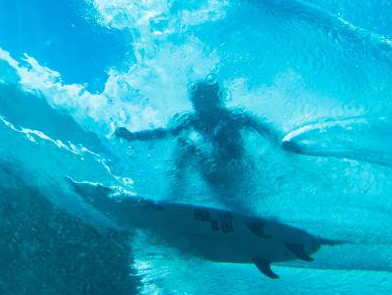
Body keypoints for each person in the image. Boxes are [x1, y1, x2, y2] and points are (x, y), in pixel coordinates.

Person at [114, 78, 281, 208]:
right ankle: (176, 194)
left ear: (215, 98)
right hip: (216, 168)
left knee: (202, 157)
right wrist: (133, 136)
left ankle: (244, 210)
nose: (197, 103)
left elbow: (266, 131)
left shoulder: (235, 116)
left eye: (202, 99)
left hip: (240, 169)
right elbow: (165, 133)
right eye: (195, 100)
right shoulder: (194, 119)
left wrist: (286, 144)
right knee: (185, 145)